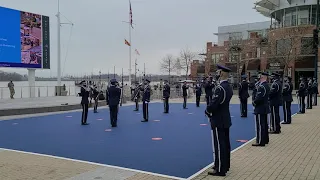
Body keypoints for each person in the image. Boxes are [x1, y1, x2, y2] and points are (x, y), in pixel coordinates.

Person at [205, 64, 233, 177]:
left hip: (218, 119)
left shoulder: (220, 88)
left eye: (218, 72)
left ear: (221, 73)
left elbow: (214, 104)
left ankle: (220, 168)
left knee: (219, 144)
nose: (216, 73)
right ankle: (225, 164)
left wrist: (207, 111)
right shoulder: (228, 87)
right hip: (225, 118)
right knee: (225, 143)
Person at [252, 71, 270, 146]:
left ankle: (260, 141)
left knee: (260, 125)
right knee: (264, 124)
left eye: (260, 76)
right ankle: (265, 139)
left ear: (262, 77)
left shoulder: (262, 86)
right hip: (264, 107)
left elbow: (259, 98)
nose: (259, 77)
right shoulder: (266, 85)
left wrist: (254, 102)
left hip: (260, 107)